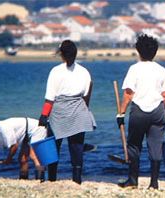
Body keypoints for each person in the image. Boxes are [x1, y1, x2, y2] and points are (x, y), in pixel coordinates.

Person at [116, 34, 165, 189]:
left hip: (138, 111)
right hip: (158, 111)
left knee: (134, 145)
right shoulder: (161, 70)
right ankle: (154, 183)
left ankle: (133, 180)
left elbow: (128, 94)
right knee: (156, 146)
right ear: (155, 52)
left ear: (139, 51)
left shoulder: (134, 69)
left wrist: (121, 113)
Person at [38, 40, 96, 184]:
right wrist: (85, 110)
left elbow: (50, 98)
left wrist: (44, 115)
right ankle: (77, 180)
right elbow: (86, 95)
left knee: (53, 147)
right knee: (76, 147)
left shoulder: (56, 71)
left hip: (59, 112)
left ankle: (52, 179)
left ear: (62, 55)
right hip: (78, 110)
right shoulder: (84, 72)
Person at [0, 115, 47, 181]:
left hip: (37, 128)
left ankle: (40, 179)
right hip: (25, 134)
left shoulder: (4, 128)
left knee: (34, 156)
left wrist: (9, 159)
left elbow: (14, 146)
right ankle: (23, 179)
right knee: (22, 159)